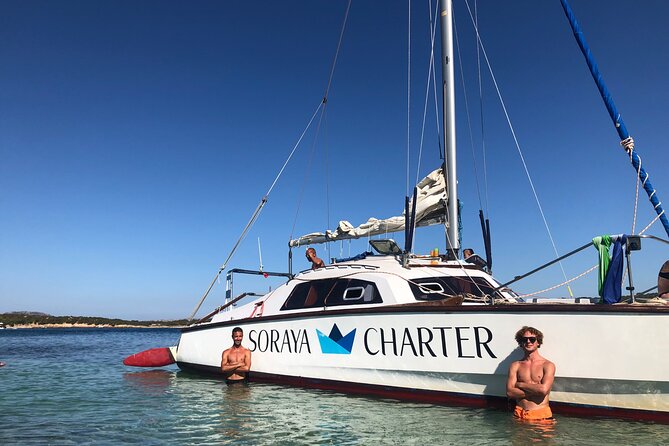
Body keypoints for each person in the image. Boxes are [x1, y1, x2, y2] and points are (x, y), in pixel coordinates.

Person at [506, 326, 556, 421]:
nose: (528, 341)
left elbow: (543, 390)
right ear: (521, 342)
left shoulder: (548, 365)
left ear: (538, 342)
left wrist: (520, 384)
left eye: (532, 339)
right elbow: (510, 393)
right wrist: (536, 390)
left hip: (542, 416)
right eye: (524, 339)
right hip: (519, 416)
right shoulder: (515, 365)